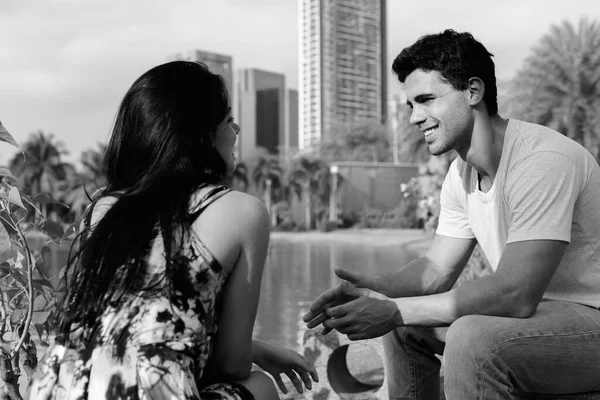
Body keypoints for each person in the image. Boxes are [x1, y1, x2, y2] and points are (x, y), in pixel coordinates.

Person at [303, 29, 600, 399]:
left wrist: (394, 309)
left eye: (426, 100)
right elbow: (436, 270)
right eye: (411, 105)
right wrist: (373, 292)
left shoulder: (542, 161)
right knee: (403, 327)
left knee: (471, 338)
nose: (415, 117)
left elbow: (515, 294)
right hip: (539, 318)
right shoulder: (461, 174)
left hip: (589, 319)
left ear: (473, 91)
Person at [28, 61, 318, 400]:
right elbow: (230, 364)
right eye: (227, 120)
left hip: (57, 389)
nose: (236, 130)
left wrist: (256, 348)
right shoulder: (242, 211)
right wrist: (249, 353)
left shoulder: (106, 209)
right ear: (199, 137)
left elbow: (127, 331)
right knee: (261, 387)